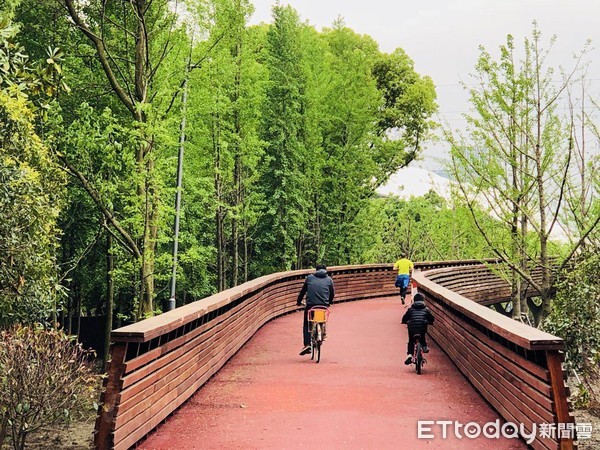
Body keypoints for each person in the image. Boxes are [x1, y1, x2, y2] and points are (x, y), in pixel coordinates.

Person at [296, 264, 335, 356]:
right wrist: (329, 302)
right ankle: (323, 332)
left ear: (316, 270)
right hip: (323, 305)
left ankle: (307, 344)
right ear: (325, 270)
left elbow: (303, 291)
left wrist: (298, 301)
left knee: (307, 322)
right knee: (322, 319)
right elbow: (332, 294)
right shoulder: (329, 279)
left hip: (311, 305)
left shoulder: (310, 278)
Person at [401, 293, 434, 365]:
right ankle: (424, 346)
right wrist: (430, 322)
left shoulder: (410, 309)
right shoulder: (426, 310)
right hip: (422, 327)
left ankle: (409, 355)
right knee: (422, 335)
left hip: (412, 328)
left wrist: (404, 322)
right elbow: (431, 318)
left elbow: (405, 318)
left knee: (411, 341)